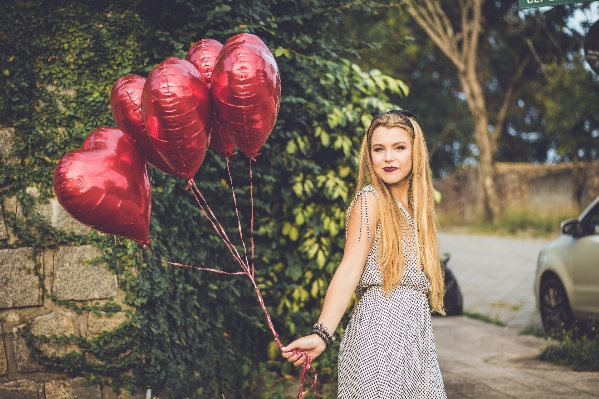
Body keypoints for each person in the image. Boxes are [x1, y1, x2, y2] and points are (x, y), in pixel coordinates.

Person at [281, 110, 447, 398]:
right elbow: (349, 269)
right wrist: (322, 334)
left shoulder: (418, 208)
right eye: (378, 149)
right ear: (369, 155)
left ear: (415, 152)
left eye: (399, 147)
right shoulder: (370, 200)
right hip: (379, 333)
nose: (388, 157)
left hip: (416, 339)